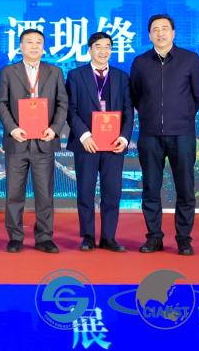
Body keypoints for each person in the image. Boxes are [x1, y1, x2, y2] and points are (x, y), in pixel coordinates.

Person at [130, 13, 199, 256]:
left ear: (173, 33)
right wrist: (151, 115)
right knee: (150, 188)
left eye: (165, 28)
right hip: (150, 135)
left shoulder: (190, 59)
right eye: (155, 29)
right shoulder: (140, 63)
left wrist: (181, 116)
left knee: (185, 189)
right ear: (149, 35)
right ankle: (154, 237)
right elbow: (135, 96)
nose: (160, 33)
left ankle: (184, 239)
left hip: (182, 134)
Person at [0, 29, 69, 254]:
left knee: (45, 193)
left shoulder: (54, 72)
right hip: (17, 141)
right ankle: (15, 237)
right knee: (14, 193)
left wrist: (54, 129)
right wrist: (13, 129)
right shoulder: (8, 72)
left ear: (43, 47)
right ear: (21, 46)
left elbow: (63, 103)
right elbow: (1, 103)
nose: (34, 46)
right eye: (29, 42)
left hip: (44, 141)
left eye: (38, 42)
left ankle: (44, 237)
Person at [65, 32, 134, 252]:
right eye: (98, 47)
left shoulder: (122, 77)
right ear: (90, 50)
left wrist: (124, 137)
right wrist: (84, 135)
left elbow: (128, 110)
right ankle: (87, 236)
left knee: (112, 191)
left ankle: (108, 237)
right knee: (85, 190)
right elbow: (70, 110)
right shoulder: (76, 76)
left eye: (107, 47)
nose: (103, 51)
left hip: (114, 144)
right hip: (87, 143)